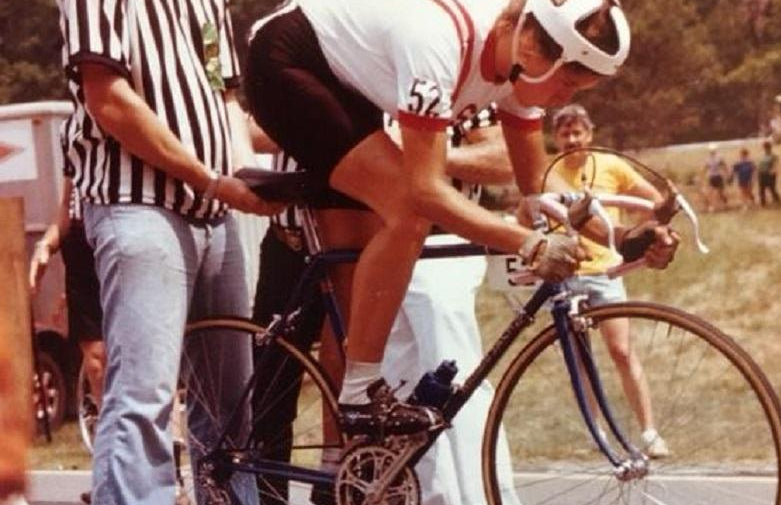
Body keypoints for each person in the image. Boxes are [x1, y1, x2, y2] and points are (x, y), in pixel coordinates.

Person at [245, 0, 678, 434]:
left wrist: (620, 238)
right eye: (566, 83)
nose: (564, 99)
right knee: (410, 214)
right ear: (531, 47)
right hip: (287, 61)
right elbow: (427, 190)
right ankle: (360, 392)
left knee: (362, 278)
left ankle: (340, 471)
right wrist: (526, 242)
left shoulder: (518, 65)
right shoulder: (440, 41)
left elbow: (540, 190)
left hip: (348, 78)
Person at [56, 1, 281, 503]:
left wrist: (254, 180)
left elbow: (225, 98)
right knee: (143, 399)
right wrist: (212, 180)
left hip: (213, 211)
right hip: (137, 202)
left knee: (229, 413)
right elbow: (107, 98)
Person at [251, 106, 520, 505]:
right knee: (271, 391)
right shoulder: (341, 66)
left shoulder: (448, 77)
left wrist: (420, 151)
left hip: (409, 245)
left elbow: (502, 159)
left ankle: (340, 482)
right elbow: (253, 130)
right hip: (296, 237)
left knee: (411, 380)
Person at [549, 103, 670, 458]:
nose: (572, 140)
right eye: (565, 134)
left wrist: (655, 227)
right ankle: (596, 431)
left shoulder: (611, 165)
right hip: (567, 274)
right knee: (580, 358)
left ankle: (649, 432)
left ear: (590, 134)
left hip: (605, 272)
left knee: (621, 350)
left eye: (578, 133)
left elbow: (653, 199)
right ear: (556, 138)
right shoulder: (549, 171)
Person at [28, 179, 105, 505]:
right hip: (81, 252)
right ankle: (109, 468)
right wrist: (45, 245)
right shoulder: (75, 148)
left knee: (138, 361)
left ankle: (152, 465)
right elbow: (64, 212)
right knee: (97, 364)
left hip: (121, 238)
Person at [703, 143, 728, 212]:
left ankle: (724, 204)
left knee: (721, 192)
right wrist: (702, 176)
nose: (712, 152)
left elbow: (724, 165)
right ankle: (712, 206)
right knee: (710, 192)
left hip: (718, 176)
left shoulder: (719, 157)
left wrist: (726, 173)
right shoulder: (708, 159)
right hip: (711, 176)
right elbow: (705, 168)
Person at [758, 140, 781, 206]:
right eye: (764, 148)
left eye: (766, 148)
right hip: (762, 173)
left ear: (769, 148)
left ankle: (776, 199)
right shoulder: (762, 155)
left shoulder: (773, 156)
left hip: (770, 174)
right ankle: (763, 202)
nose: (765, 149)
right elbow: (760, 164)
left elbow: (776, 164)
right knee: (761, 189)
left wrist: (773, 171)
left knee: (772, 188)